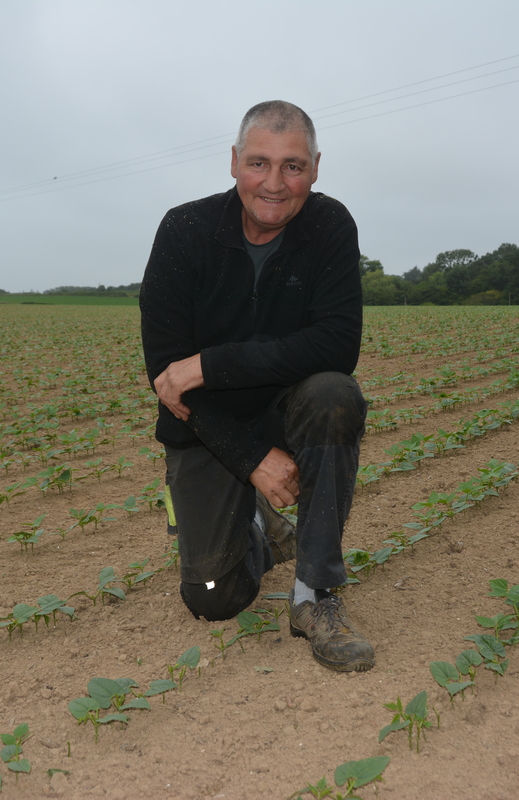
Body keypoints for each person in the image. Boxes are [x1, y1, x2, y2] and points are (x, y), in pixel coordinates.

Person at [139, 100, 374, 672]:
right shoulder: (184, 230)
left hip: (286, 410)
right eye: (259, 163)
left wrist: (212, 364)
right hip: (205, 427)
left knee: (333, 395)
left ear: (315, 168)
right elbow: (171, 383)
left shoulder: (329, 225)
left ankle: (313, 595)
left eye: (293, 166)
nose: (274, 183)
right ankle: (257, 527)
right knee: (215, 598)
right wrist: (253, 461)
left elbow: (336, 345)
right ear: (234, 162)